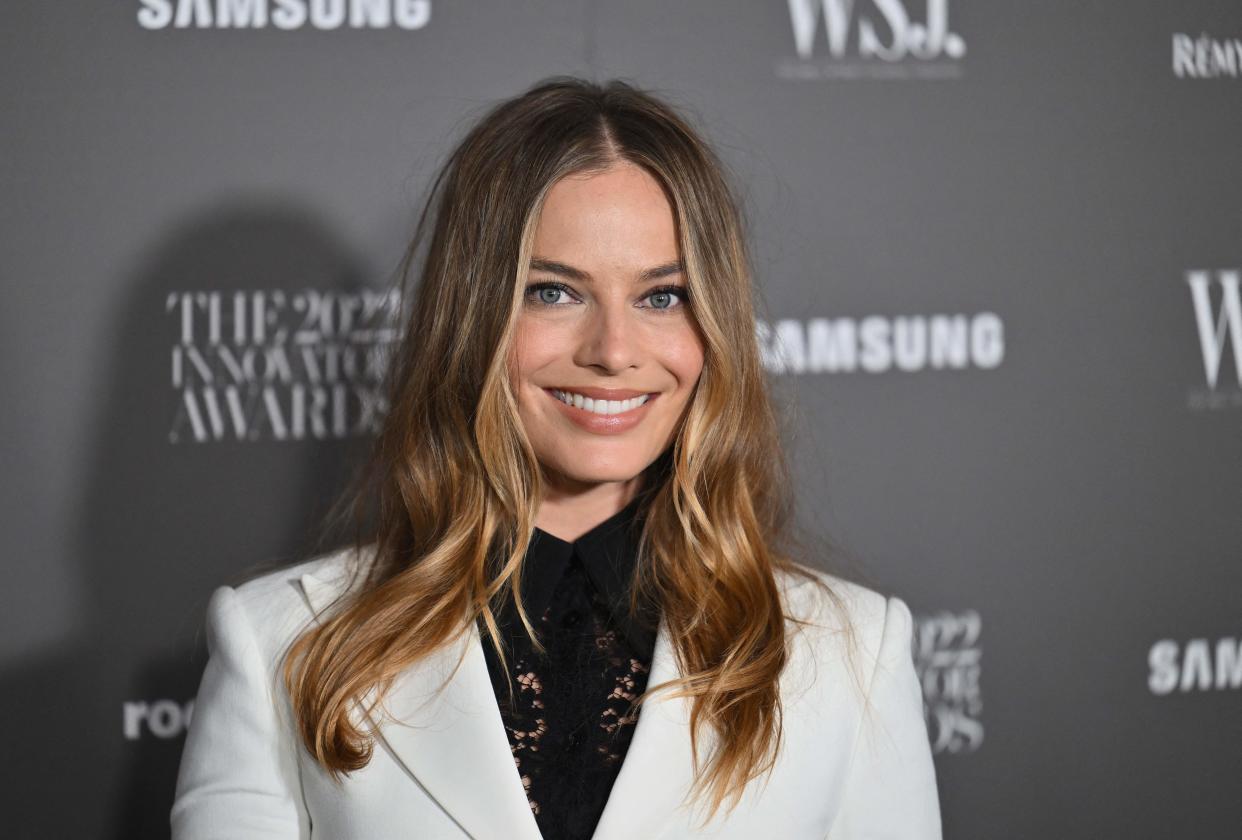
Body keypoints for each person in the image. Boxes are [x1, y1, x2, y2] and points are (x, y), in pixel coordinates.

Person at [170, 76, 942, 840]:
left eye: (662, 296)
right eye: (553, 292)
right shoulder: (281, 646)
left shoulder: (851, 657)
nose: (612, 351)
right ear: (472, 317)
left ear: (714, 325)